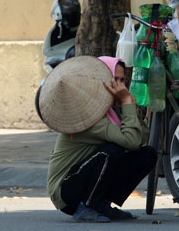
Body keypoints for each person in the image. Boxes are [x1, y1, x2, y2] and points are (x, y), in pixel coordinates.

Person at [41, 56, 157, 222]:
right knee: (112, 151)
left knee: (147, 154)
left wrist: (132, 109)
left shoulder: (111, 109)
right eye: (114, 80)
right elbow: (130, 141)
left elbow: (139, 141)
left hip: (83, 181)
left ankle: (102, 204)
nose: (120, 86)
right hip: (66, 193)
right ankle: (87, 206)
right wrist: (126, 103)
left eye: (122, 80)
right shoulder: (89, 117)